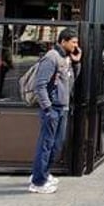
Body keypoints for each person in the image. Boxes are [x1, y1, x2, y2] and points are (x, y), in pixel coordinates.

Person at [29, 28, 82, 194]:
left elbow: (70, 81)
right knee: (46, 144)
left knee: (56, 145)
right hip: (52, 108)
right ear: (63, 41)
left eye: (77, 42)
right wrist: (47, 108)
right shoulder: (52, 57)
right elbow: (40, 85)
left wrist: (76, 62)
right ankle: (38, 182)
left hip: (62, 108)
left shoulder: (66, 58)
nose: (76, 46)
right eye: (73, 42)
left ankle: (42, 174)